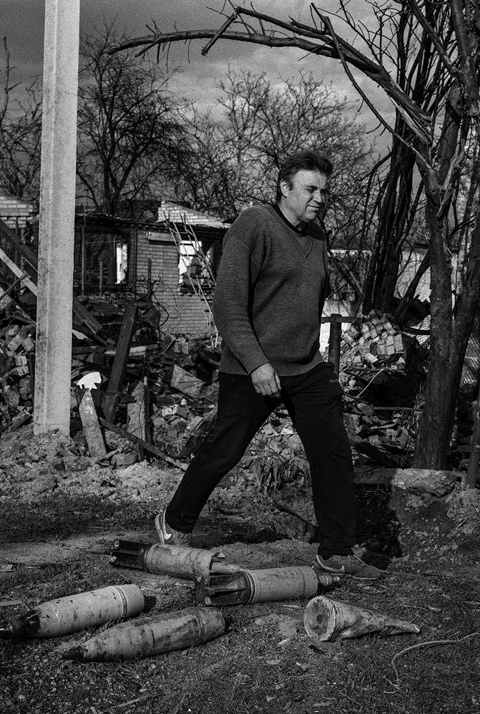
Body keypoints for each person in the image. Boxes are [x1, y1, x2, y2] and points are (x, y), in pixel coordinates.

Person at [154, 151, 382, 580]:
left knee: (332, 450)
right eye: (311, 189)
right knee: (225, 450)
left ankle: (336, 551)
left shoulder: (317, 236)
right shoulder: (253, 225)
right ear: (285, 187)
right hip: (251, 365)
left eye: (324, 191)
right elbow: (228, 306)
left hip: (305, 367)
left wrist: (308, 352)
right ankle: (176, 519)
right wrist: (258, 363)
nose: (319, 198)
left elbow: (312, 298)